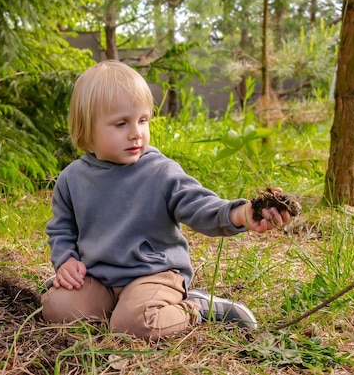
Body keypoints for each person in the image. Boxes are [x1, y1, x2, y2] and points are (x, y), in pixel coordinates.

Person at [41, 60, 292, 341]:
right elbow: (62, 229)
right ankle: (116, 307)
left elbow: (199, 206)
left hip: (153, 274)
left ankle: (195, 308)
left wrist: (241, 214)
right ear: (87, 129)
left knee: (134, 327)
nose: (136, 132)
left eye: (143, 120)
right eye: (121, 123)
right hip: (100, 277)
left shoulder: (160, 172)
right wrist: (65, 260)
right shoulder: (72, 179)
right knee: (58, 309)